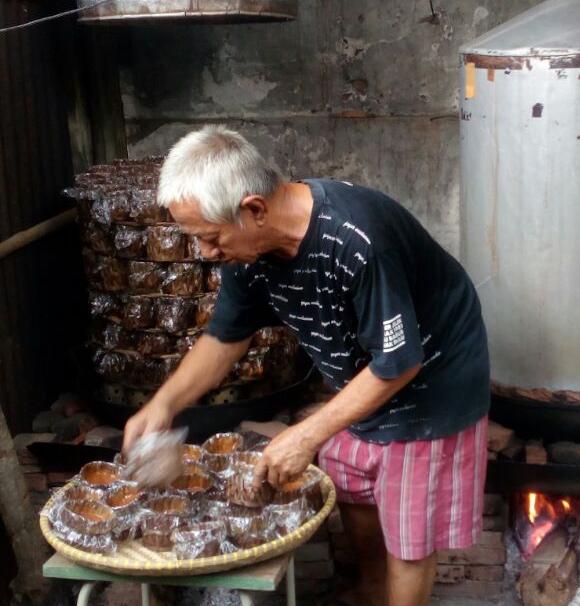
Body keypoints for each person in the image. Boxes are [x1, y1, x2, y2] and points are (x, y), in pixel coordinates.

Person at [123, 125, 491, 606]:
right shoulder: (248, 254)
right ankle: (370, 592)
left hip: (430, 379)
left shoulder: (358, 241)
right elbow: (224, 338)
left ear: (253, 209)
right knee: (355, 487)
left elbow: (399, 364)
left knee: (408, 533)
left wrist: (305, 434)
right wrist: (164, 403)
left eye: (211, 238)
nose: (206, 254)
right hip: (366, 373)